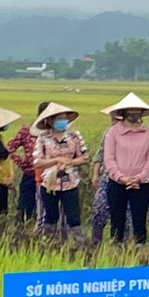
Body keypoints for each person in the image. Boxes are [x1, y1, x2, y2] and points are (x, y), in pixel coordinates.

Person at [103, 93, 149, 246]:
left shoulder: (148, 132)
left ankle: (140, 249)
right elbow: (109, 158)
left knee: (139, 219)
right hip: (117, 182)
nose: (134, 113)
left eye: (137, 110)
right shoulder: (113, 132)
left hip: (140, 183)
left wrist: (139, 178)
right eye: (131, 110)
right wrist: (121, 177)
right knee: (117, 219)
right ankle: (116, 248)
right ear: (123, 112)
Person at [32, 102, 89, 242]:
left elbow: (85, 157)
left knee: (73, 216)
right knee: (50, 216)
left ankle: (79, 244)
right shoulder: (43, 138)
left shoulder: (75, 136)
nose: (63, 121)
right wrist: (57, 160)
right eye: (59, 119)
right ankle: (49, 243)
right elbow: (37, 162)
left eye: (65, 118)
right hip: (50, 183)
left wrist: (70, 162)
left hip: (71, 181)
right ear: (50, 121)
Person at [91, 108, 133, 246]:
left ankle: (119, 245)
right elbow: (100, 154)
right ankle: (95, 244)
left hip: (127, 180)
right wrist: (95, 173)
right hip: (107, 178)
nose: (114, 122)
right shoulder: (108, 134)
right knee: (99, 209)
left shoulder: (136, 135)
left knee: (125, 215)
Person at [7, 101, 47, 223]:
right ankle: (21, 231)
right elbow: (9, 148)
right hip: (30, 174)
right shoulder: (27, 131)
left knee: (46, 207)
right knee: (25, 205)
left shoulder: (55, 134)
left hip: (49, 177)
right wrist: (22, 163)